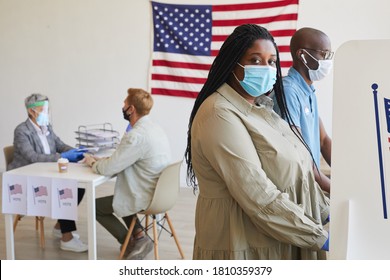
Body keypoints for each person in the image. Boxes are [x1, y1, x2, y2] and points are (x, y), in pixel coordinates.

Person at [185, 24, 330, 260]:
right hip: (243, 245)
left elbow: (298, 174)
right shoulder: (218, 114)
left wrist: (325, 211)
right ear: (233, 63)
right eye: (255, 60)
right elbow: (258, 194)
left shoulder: (261, 107)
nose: (266, 68)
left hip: (280, 236)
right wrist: (320, 237)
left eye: (271, 62)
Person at [83, 88, 171, 260]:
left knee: (95, 207)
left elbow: (108, 169)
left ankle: (129, 242)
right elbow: (128, 158)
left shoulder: (136, 136)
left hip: (144, 196)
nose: (122, 107)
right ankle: (138, 235)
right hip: (162, 194)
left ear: (131, 109)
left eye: (124, 104)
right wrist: (112, 159)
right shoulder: (155, 128)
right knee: (122, 194)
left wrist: (93, 162)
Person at [9, 93, 88, 252]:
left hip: (45, 175)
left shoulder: (47, 128)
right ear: (32, 112)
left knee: (78, 188)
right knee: (66, 190)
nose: (47, 112)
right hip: (25, 181)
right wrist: (62, 157)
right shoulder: (22, 131)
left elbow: (60, 145)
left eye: (47, 109)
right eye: (44, 109)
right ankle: (67, 238)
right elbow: (33, 157)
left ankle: (60, 227)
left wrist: (79, 151)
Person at [281, 27, 333, 194]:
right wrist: (337, 189)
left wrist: (348, 174)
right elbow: (299, 155)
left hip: (311, 184)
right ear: (301, 54)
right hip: (295, 189)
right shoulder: (288, 91)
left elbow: (324, 140)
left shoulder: (308, 91)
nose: (327, 61)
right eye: (324, 54)